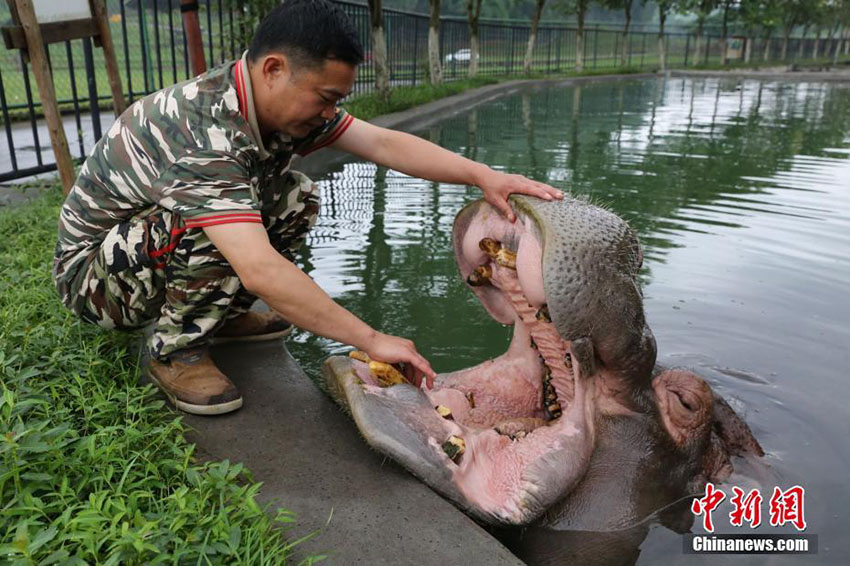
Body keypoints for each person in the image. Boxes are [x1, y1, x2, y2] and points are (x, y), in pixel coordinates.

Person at [52, 0, 562, 416]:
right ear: (273, 68)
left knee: (295, 197)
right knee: (209, 225)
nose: (330, 112)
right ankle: (176, 351)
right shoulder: (203, 132)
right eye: (325, 97)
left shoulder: (273, 105)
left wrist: (483, 175)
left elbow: (384, 144)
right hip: (98, 282)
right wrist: (371, 338)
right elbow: (258, 268)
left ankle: (218, 318)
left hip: (141, 254)